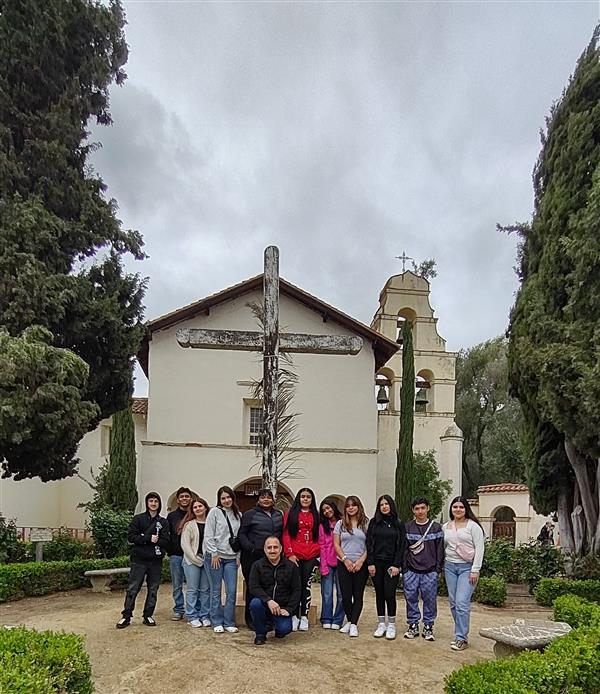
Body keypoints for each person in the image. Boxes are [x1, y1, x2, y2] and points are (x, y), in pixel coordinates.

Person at [116, 492, 170, 629]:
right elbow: (131, 537)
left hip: (155, 561)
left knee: (153, 589)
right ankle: (126, 616)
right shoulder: (138, 519)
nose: (153, 503)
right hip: (139, 560)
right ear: (147, 503)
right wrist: (148, 538)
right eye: (151, 501)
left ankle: (148, 615)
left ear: (159, 503)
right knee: (133, 588)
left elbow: (165, 540)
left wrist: (154, 540)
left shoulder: (163, 522)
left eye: (156, 501)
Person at [443, 496, 485, 651]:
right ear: (451, 509)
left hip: (467, 568)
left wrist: (475, 569)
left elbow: (479, 548)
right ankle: (459, 633)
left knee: (462, 602)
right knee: (454, 603)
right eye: (455, 507)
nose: (458, 509)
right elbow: (444, 546)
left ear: (466, 509)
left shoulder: (473, 526)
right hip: (450, 567)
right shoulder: (446, 526)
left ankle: (461, 637)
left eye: (461, 507)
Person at [238, 488, 284, 628]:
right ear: (258, 500)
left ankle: (268, 619)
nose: (266, 500)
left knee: (269, 586)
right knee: (253, 587)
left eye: (269, 497)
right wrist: (251, 548)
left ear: (273, 499)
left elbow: (281, 534)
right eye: (263, 497)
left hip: (271, 557)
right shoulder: (249, 514)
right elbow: (242, 534)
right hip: (252, 557)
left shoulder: (278, 514)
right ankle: (251, 620)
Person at [402, 496, 444, 642]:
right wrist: (405, 569)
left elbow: (440, 550)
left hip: (429, 571)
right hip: (411, 570)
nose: (420, 511)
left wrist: (437, 570)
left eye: (423, 508)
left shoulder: (436, 527)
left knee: (430, 600)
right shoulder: (407, 527)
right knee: (410, 598)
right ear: (413, 511)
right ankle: (413, 624)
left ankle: (428, 626)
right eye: (417, 509)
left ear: (428, 508)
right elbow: (404, 549)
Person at [248, 536, 301, 645]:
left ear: (281, 549)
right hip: (264, 604)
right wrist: (268, 600)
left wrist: (289, 609)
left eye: (275, 547)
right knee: (255, 604)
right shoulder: (257, 565)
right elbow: (253, 586)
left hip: (282, 608)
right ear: (264, 549)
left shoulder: (291, 567)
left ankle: (277, 627)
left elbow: (297, 590)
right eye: (269, 547)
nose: (272, 550)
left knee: (284, 629)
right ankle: (260, 634)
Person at [366, 494, 406, 640]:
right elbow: (369, 543)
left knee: (389, 593)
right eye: (381, 504)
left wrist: (396, 565)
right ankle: (381, 623)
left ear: (391, 505)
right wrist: (370, 562)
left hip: (391, 565)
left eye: (386, 504)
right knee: (379, 593)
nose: (384, 507)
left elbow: (402, 545)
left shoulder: (398, 523)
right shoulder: (374, 523)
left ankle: (392, 625)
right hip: (376, 564)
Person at [204, 485, 241, 633]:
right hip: (216, 557)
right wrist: (213, 553)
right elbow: (208, 535)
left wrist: (238, 556)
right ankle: (216, 621)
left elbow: (239, 538)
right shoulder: (214, 512)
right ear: (219, 500)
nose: (226, 500)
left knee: (231, 591)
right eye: (223, 498)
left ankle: (229, 622)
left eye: (228, 497)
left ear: (233, 498)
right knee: (216, 590)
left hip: (231, 558)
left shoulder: (238, 514)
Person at [282, 487, 320, 632]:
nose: (305, 499)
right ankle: (293, 615)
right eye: (303, 496)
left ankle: (304, 615)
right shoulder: (290, 514)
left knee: (306, 586)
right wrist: (289, 553)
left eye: (308, 497)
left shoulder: (316, 515)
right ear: (298, 498)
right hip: (294, 556)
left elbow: (320, 535)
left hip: (311, 555)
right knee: (294, 586)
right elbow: (286, 535)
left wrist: (317, 553)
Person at [334, 495, 369, 637]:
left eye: (353, 505)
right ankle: (350, 620)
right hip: (344, 563)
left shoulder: (366, 523)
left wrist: (361, 561)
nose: (351, 508)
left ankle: (353, 624)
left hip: (361, 564)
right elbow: (336, 544)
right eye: (348, 506)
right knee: (346, 596)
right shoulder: (340, 524)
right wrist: (345, 560)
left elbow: (370, 545)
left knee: (358, 595)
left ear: (358, 506)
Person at [179, 497, 211, 628]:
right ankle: (192, 616)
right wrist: (195, 559)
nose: (198, 509)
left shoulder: (211, 523)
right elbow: (185, 545)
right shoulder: (189, 525)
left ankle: (205, 615)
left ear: (205, 507)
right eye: (195, 507)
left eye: (200, 506)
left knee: (205, 590)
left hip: (207, 560)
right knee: (192, 589)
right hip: (191, 561)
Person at [166, 486, 194, 620]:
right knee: (177, 585)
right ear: (177, 500)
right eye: (182, 497)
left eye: (187, 496)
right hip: (176, 555)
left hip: (192, 556)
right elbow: (167, 535)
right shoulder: (172, 516)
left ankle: (192, 609)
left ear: (191, 498)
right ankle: (178, 609)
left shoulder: (194, 515)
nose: (184, 499)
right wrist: (170, 551)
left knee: (193, 585)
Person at [318, 498, 344, 630]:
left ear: (333, 507)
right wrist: (323, 566)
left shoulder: (343, 522)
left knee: (341, 593)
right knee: (327, 593)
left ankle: (338, 619)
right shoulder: (322, 525)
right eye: (324, 510)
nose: (327, 511)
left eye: (328, 508)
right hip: (327, 562)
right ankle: (326, 617)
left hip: (341, 561)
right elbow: (321, 546)